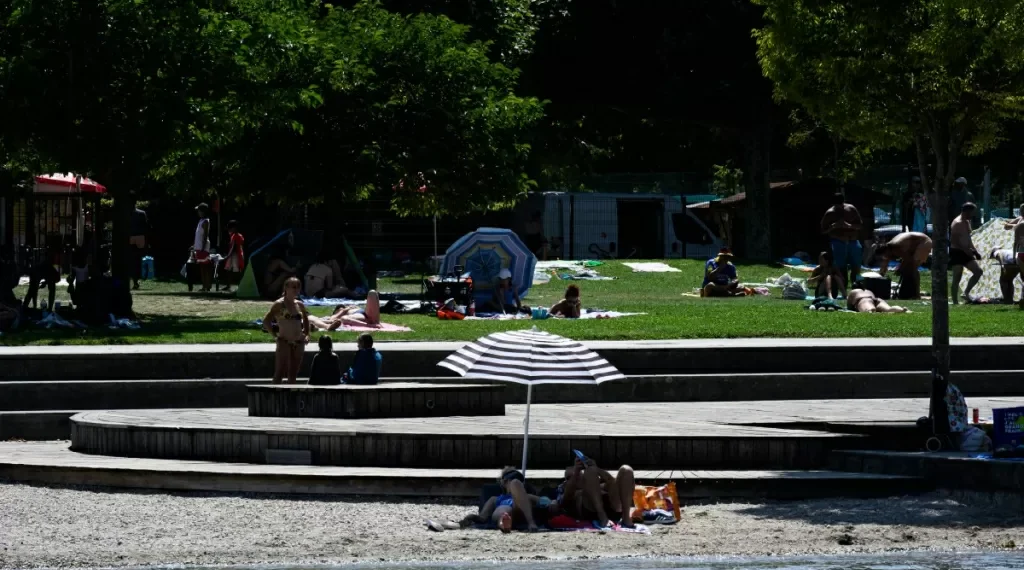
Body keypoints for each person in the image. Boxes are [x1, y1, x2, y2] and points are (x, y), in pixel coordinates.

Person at [556, 453, 635, 528]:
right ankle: (602, 515)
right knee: (590, 472)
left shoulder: (597, 482)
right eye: (568, 477)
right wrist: (576, 473)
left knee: (626, 469)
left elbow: (612, 482)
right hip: (588, 510)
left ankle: (626, 518)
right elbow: (564, 502)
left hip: (613, 508)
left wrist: (596, 469)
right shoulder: (566, 486)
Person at [459, 467, 541, 533]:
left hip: (519, 510)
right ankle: (504, 523)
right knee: (504, 510)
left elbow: (545, 502)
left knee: (519, 498)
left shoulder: (527, 496)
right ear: (503, 482)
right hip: (502, 511)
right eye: (509, 480)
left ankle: (528, 522)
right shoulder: (494, 499)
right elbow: (482, 518)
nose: (510, 482)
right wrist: (470, 517)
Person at [262, 277, 309, 383]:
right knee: (280, 372)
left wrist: (306, 334)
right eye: (293, 287)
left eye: (298, 287)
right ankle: (274, 397)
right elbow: (266, 321)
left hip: (298, 342)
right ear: (286, 288)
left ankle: (291, 398)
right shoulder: (279, 304)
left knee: (293, 374)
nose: (296, 289)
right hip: (284, 342)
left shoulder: (299, 305)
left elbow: (306, 321)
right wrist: (275, 336)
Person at [821, 192, 864, 286]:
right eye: (836, 206)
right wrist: (832, 227)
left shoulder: (851, 209)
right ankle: (842, 285)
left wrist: (848, 225)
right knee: (841, 266)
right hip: (838, 242)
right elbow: (823, 231)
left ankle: (856, 284)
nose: (839, 207)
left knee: (856, 265)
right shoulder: (830, 213)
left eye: (840, 205)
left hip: (853, 241)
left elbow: (860, 225)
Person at [875, 232, 932, 300]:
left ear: (886, 251)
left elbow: (908, 259)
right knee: (907, 269)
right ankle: (908, 293)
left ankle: (917, 294)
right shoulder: (888, 250)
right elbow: (884, 266)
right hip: (913, 245)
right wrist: (880, 278)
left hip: (923, 242)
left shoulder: (896, 246)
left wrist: (900, 268)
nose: (885, 257)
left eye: (885, 255)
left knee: (913, 269)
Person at [950, 202, 984, 304]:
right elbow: (954, 241)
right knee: (957, 277)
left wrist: (975, 251)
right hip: (957, 252)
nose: (973, 215)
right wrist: (965, 250)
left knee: (978, 272)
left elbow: (968, 239)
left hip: (967, 252)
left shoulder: (966, 222)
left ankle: (966, 292)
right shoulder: (957, 222)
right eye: (972, 212)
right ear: (967, 211)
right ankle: (955, 302)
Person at [193, 203, 213, 292]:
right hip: (199, 246)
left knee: (205, 267)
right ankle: (205, 285)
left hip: (203, 247)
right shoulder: (200, 220)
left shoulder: (206, 221)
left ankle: (207, 285)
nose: (198, 212)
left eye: (199, 211)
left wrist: (203, 247)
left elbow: (205, 236)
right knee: (202, 267)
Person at [221, 220, 245, 293]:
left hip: (236, 255)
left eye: (231, 228)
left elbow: (234, 247)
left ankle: (240, 286)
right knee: (228, 270)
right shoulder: (233, 235)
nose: (229, 230)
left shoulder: (238, 236)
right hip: (232, 255)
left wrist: (228, 256)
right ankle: (228, 286)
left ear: (234, 228)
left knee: (237, 271)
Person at [129, 202, 149, 290]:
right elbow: (146, 227)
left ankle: (135, 280)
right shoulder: (142, 213)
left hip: (130, 237)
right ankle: (138, 278)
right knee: (139, 259)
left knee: (132, 260)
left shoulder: (127, 214)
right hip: (140, 237)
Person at [847, 288, 911, 313]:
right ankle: (902, 310)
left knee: (869, 311)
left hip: (864, 300)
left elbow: (849, 307)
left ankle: (872, 310)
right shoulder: (868, 290)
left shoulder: (853, 292)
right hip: (877, 300)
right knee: (889, 309)